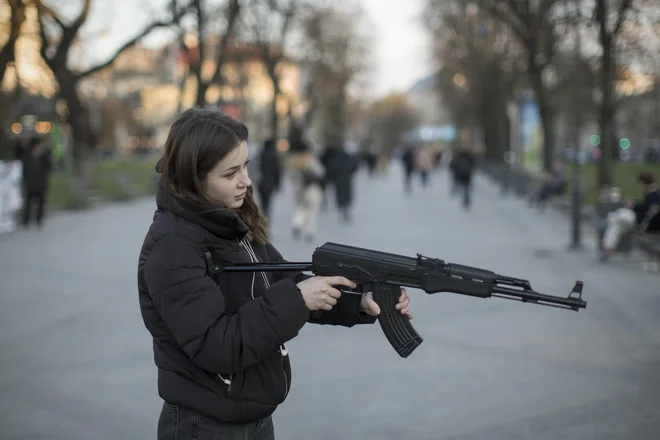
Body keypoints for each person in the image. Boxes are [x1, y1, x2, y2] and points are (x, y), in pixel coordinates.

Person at [137, 108, 414, 440]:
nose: (246, 181)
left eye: (245, 166)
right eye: (230, 174)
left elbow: (287, 283)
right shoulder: (172, 248)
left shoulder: (228, 220)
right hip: (205, 425)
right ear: (194, 178)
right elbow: (218, 345)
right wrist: (297, 300)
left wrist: (359, 300)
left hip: (249, 416)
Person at [600, 171, 660, 261]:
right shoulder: (652, 193)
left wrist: (633, 205)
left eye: (640, 184)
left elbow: (646, 211)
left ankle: (609, 222)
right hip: (640, 219)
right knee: (617, 224)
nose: (639, 186)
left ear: (643, 183)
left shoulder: (654, 194)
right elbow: (645, 207)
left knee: (619, 216)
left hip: (641, 221)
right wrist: (634, 204)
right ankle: (607, 247)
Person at [18, 136, 52, 228]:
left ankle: (39, 220)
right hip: (30, 183)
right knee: (28, 203)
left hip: (41, 183)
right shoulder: (27, 155)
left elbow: (49, 167)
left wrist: (45, 154)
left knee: (41, 203)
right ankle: (26, 221)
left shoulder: (45, 156)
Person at [256, 138, 281, 220]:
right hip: (270, 183)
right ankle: (266, 217)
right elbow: (277, 171)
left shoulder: (261, 154)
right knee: (268, 202)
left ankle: (263, 214)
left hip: (260, 182)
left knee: (262, 201)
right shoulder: (274, 156)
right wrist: (278, 184)